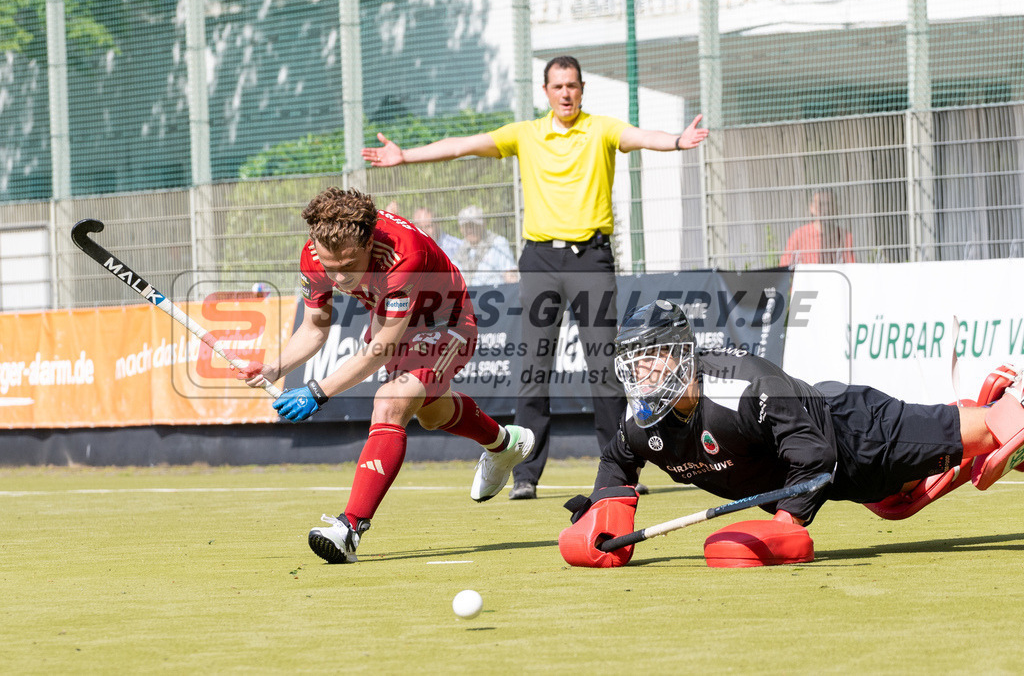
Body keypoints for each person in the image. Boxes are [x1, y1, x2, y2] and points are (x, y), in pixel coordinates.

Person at [362, 55, 709, 500]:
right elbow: (463, 145)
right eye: (558, 86)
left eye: (573, 86)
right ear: (546, 92)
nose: (566, 93)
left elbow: (642, 137)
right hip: (541, 262)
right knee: (534, 365)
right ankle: (525, 474)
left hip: (591, 260)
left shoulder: (601, 128)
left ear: (582, 89)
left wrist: (678, 141)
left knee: (605, 367)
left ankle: (621, 469)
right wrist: (405, 155)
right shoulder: (526, 134)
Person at [558, 299, 1024, 568]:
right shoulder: (642, 425)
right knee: (896, 501)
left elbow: (815, 455)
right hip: (851, 482)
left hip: (855, 431)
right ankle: (968, 426)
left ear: (682, 353)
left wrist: (787, 525)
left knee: (999, 430)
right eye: (633, 363)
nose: (641, 372)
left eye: (650, 357)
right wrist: (606, 506)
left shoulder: (745, 386)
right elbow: (616, 460)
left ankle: (1004, 407)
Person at [237, 187, 535, 564]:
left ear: (368, 241)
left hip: (447, 321)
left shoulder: (402, 253)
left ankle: (349, 528)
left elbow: (383, 346)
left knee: (391, 401)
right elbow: (315, 327)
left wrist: (317, 391)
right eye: (331, 269)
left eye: (349, 266)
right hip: (392, 319)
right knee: (429, 413)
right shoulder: (315, 254)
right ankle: (504, 444)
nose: (340, 279)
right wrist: (275, 369)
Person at [779, 189, 855, 266]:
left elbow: (851, 268)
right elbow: (784, 265)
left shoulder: (845, 236)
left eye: (829, 204)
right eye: (820, 204)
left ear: (835, 208)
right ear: (812, 207)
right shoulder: (800, 235)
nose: (825, 209)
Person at [452, 205, 516, 286]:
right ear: (461, 229)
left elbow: (511, 278)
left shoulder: (498, 243)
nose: (470, 230)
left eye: (473, 225)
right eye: (466, 226)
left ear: (483, 225)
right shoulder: (458, 249)